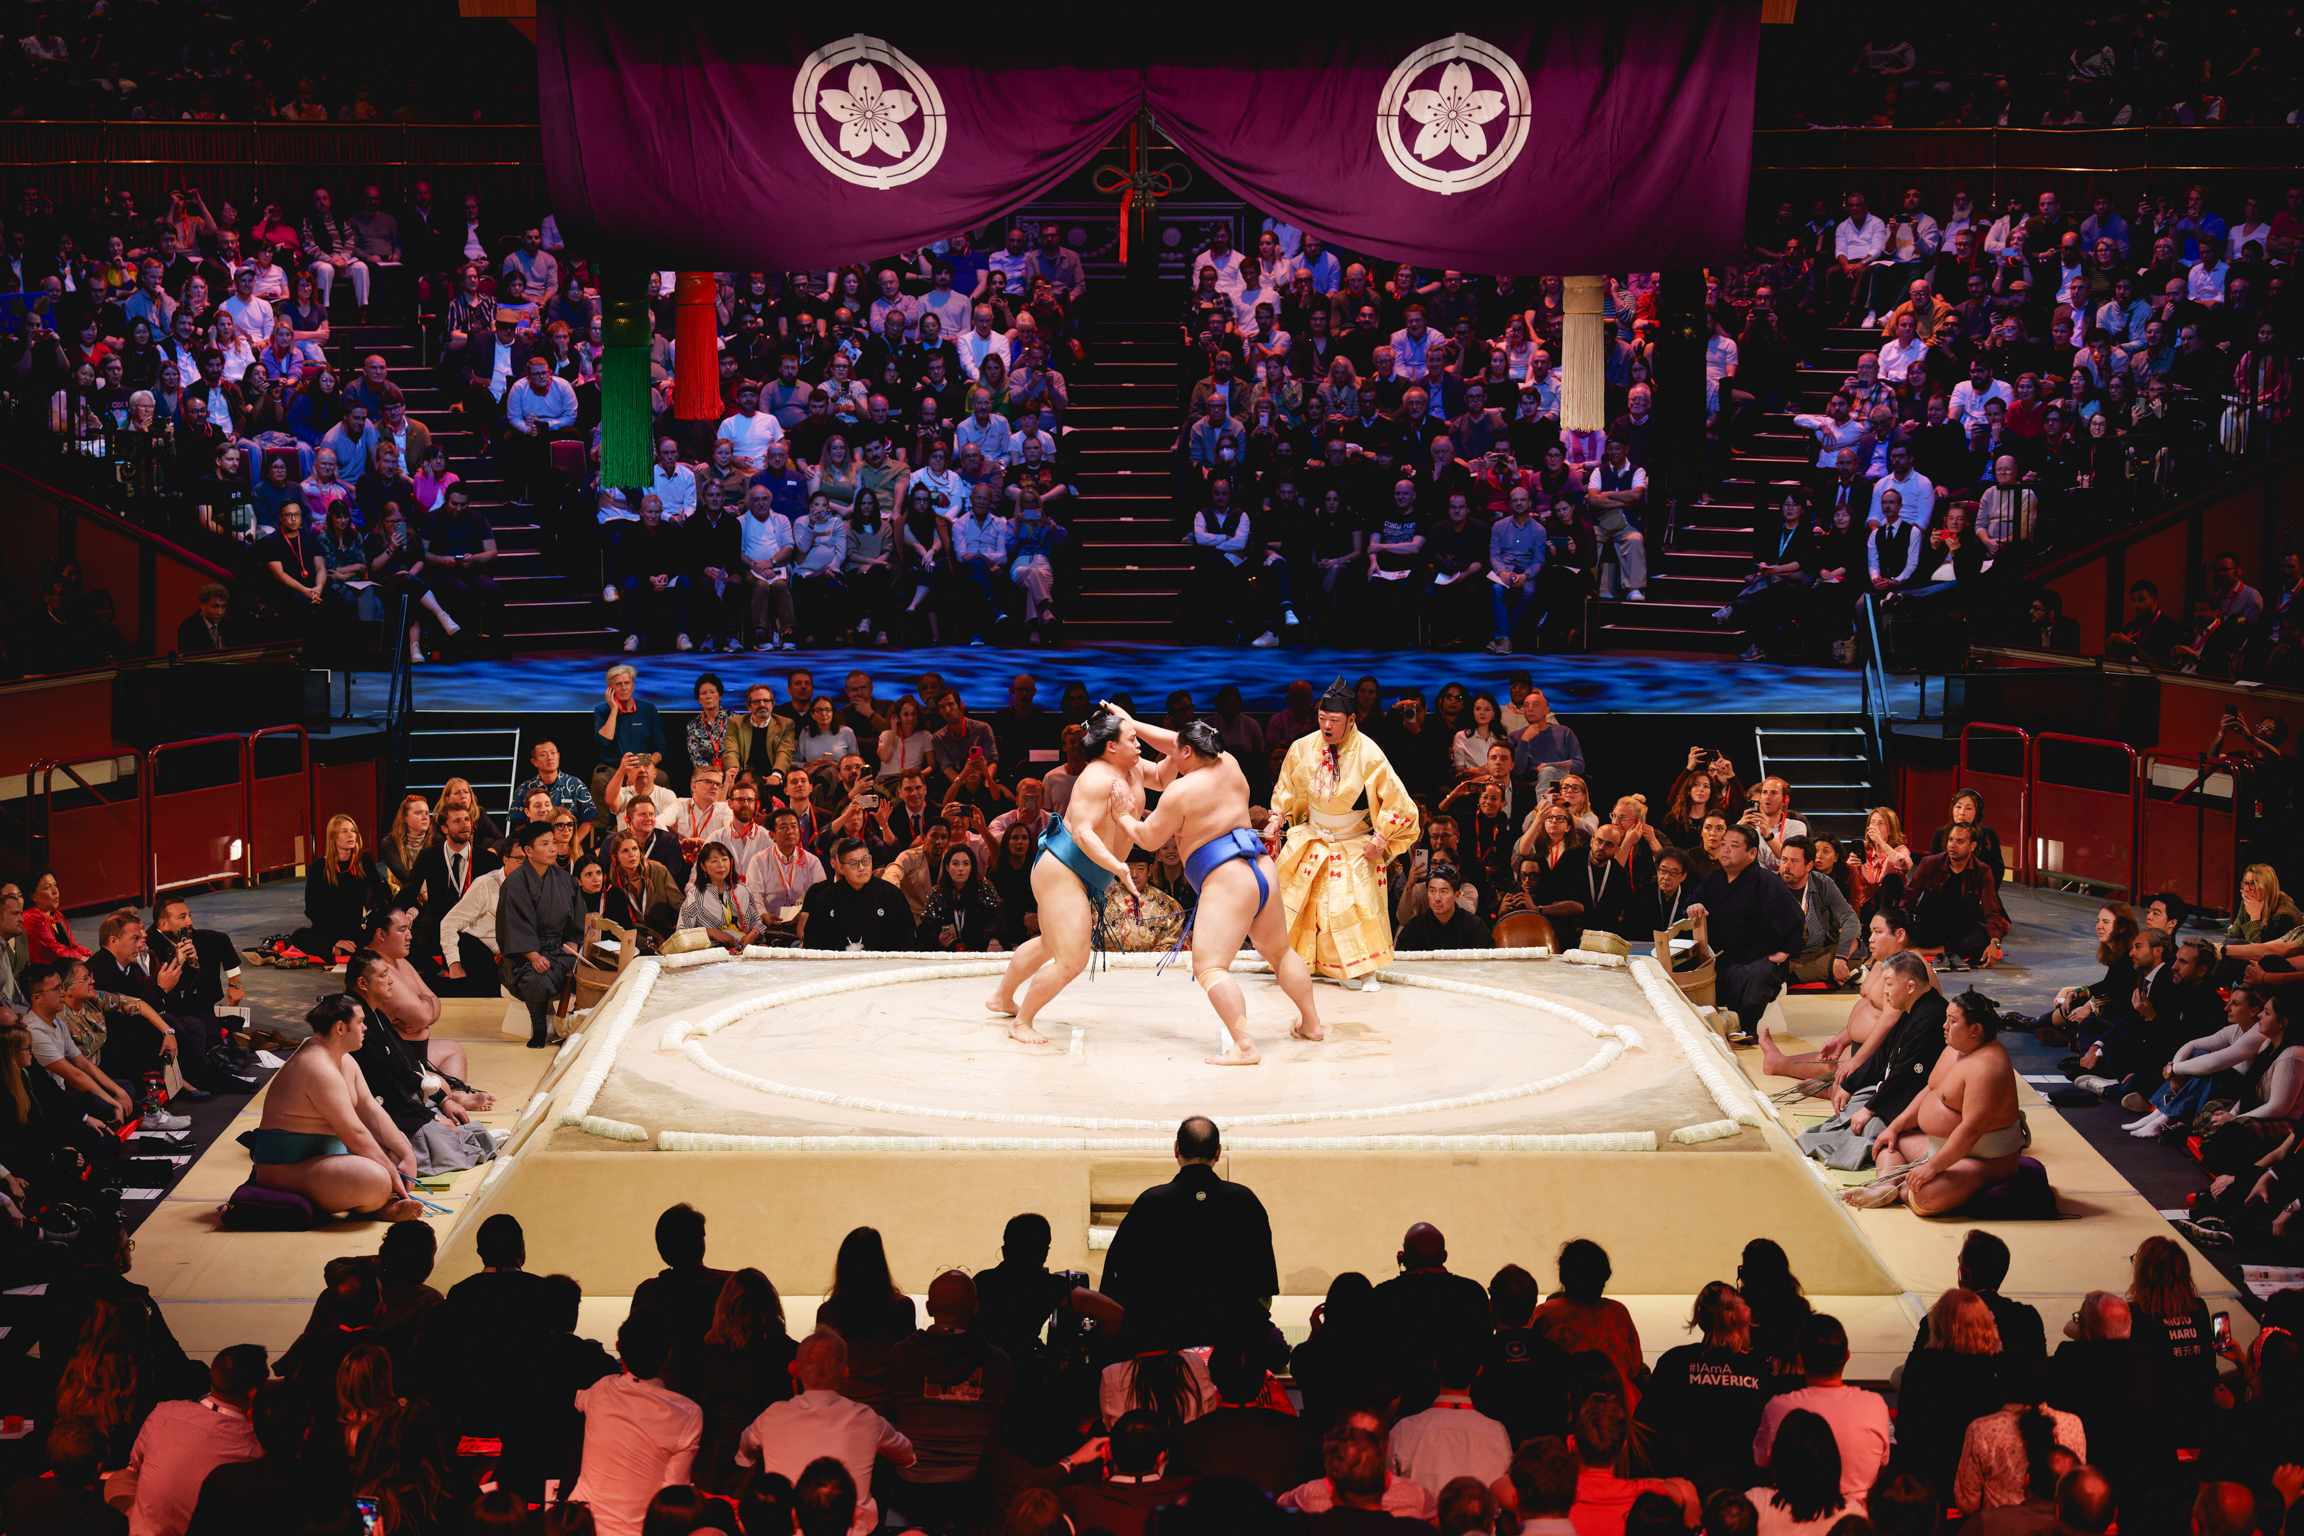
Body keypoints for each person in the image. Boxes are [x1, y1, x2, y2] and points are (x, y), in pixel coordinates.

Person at [1108, 718, 1322, 1064]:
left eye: (1175, 751)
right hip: (1260, 865)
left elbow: (1147, 838)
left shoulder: (1180, 791)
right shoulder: (1230, 764)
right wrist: (1131, 723)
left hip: (1228, 879)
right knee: (1280, 952)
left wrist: (1122, 814)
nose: (1169, 755)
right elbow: (1173, 742)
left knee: (1210, 966)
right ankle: (1312, 1023)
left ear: (1188, 752)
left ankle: (1245, 1046)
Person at [985, 703, 1166, 1046]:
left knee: (1048, 944)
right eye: (1132, 737)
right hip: (1063, 869)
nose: (1140, 741)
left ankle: (1002, 998)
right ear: (1112, 746)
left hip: (1083, 873)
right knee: (1072, 958)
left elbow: (1173, 765)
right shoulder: (1097, 778)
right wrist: (1117, 868)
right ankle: (1021, 1022)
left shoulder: (1134, 768)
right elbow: (1083, 833)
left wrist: (1139, 723)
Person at [1267, 678, 1422, 990]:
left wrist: (1382, 838)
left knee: (1353, 907)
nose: (1326, 726)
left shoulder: (1369, 753)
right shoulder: (1302, 748)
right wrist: (1276, 818)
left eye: (1334, 720)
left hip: (1354, 840)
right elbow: (1286, 787)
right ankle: (1298, 963)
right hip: (1312, 835)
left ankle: (1366, 972)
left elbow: (1398, 802)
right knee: (1302, 900)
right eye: (1322, 718)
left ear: (1352, 720)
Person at [1099, 1115, 1278, 1354]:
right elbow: (1264, 1280)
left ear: (1176, 1149)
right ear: (1217, 1152)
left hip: (1159, 1332)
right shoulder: (1244, 1200)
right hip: (1230, 1334)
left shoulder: (1151, 1201)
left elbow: (1117, 1270)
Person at [238, 993, 421, 1221]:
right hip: (284, 1168)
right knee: (376, 1177)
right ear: (341, 1028)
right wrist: (392, 1174)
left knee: (397, 1149)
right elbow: (354, 1133)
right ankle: (381, 1200)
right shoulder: (316, 1066)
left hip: (325, 1161)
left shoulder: (344, 1059)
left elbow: (371, 1109)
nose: (365, 1028)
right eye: (360, 1022)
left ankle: (383, 1199)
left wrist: (406, 1154)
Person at [1853, 990, 2025, 1214]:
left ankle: (1901, 1189)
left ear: (1976, 1030)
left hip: (1984, 1158)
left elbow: (1972, 1129)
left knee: (1926, 1197)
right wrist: (1896, 1126)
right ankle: (1886, 1188)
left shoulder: (1987, 1067)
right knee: (1888, 1141)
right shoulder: (1953, 1050)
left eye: (1952, 1021)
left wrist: (1932, 1167)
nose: (1944, 1026)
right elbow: (1930, 1090)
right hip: (1942, 1146)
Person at [735, 1328, 915, 1536]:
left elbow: (744, 1455)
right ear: (845, 1372)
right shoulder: (867, 1419)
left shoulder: (771, 1416)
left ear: (793, 1369)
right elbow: (907, 1456)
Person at [570, 1307, 702, 1536]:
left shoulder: (601, 1390)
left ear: (619, 1348)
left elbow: (579, 1400)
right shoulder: (688, 1412)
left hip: (582, 1528)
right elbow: (673, 1492)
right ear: (669, 1353)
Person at [122, 1344, 267, 1536]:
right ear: (254, 1393)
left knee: (120, 1478)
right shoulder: (253, 1448)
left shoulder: (164, 1411)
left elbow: (135, 1465)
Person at [1638, 1281, 1768, 1496]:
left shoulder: (1673, 1362)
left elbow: (1645, 1425)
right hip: (1745, 1494)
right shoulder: (1760, 1370)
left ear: (1699, 1317)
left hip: (1680, 1491)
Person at [1753, 1315, 1891, 1516]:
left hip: (1795, 1515)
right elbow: (1883, 1461)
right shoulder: (1875, 1404)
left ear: (1800, 1359)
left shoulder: (1777, 1407)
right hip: (1857, 1520)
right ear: (1847, 1356)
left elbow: (1761, 1460)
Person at [1689, 824, 1805, 1038]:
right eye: (1724, 845)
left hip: (1758, 957)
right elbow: (1694, 900)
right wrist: (1694, 906)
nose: (1725, 850)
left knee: (1756, 977)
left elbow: (1795, 916)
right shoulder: (1714, 880)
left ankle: (1745, 1032)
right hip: (1722, 957)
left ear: (1752, 853)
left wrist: (1785, 951)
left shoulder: (1767, 881)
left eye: (1733, 846)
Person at [498, 819, 585, 1047]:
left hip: (559, 950)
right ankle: (538, 1029)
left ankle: (575, 1027)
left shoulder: (565, 879)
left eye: (553, 843)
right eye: (545, 844)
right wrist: (533, 955)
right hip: (522, 956)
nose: (553, 849)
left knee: (591, 976)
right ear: (528, 851)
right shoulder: (514, 883)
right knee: (536, 981)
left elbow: (577, 916)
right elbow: (513, 924)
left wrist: (573, 943)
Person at [1907, 824, 2008, 970]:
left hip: (1960, 929)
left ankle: (1927, 952)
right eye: (1950, 840)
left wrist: (1994, 943)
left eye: (1959, 842)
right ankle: (1945, 951)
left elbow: (1992, 911)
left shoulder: (1982, 871)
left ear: (1972, 846)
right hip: (1929, 926)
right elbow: (1909, 898)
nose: (1952, 846)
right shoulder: (1930, 864)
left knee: (1983, 937)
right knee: (1907, 926)